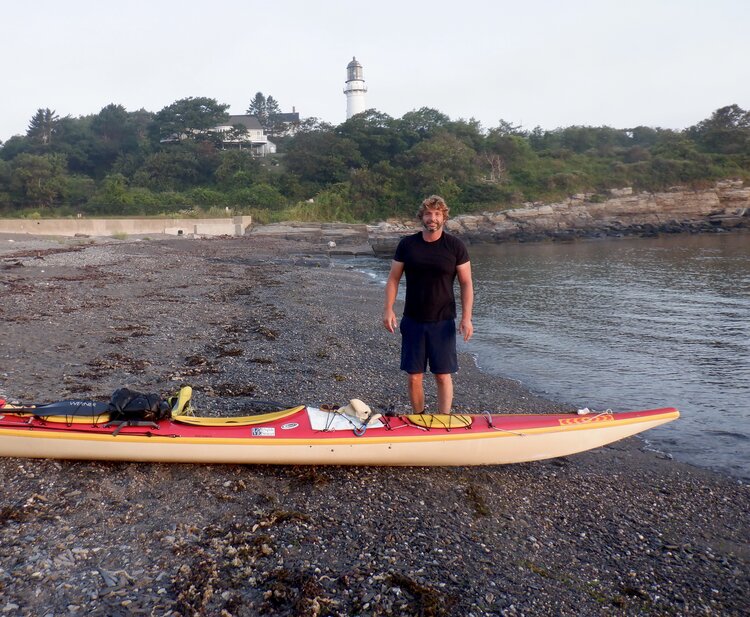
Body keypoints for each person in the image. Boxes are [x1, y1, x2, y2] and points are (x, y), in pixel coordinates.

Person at [382, 195, 474, 414]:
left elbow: (466, 283)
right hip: (413, 319)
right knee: (414, 376)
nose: (432, 218)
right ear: (421, 217)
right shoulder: (407, 244)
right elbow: (394, 278)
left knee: (442, 374)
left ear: (444, 217)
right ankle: (419, 418)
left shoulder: (455, 246)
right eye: (428, 214)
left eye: (437, 214)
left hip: (443, 321)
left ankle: (444, 418)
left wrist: (466, 317)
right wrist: (388, 309)